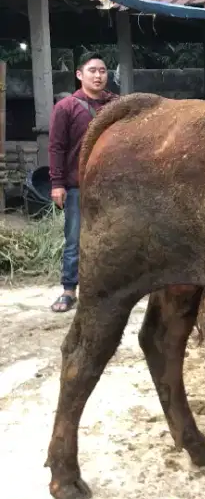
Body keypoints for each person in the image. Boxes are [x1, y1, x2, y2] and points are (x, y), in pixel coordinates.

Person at [49, 52, 116, 313]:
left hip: (110, 187)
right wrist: (57, 184)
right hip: (78, 186)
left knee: (111, 237)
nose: (98, 75)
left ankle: (106, 290)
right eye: (92, 71)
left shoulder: (116, 105)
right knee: (75, 239)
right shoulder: (66, 107)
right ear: (79, 75)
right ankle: (68, 290)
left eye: (102, 70)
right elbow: (56, 147)